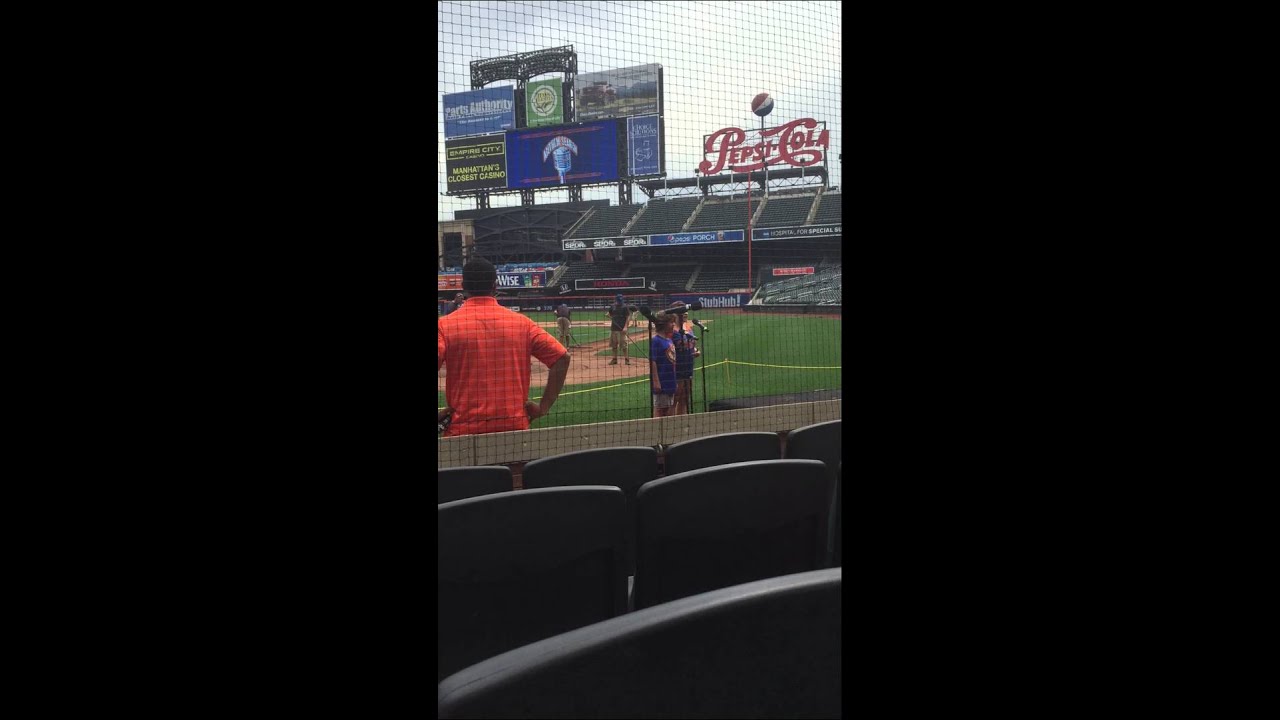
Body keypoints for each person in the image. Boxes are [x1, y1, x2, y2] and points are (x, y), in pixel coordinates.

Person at [437, 258, 570, 437]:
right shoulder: (522, 323)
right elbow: (562, 357)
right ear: (495, 285)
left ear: (463, 286)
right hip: (514, 430)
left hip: (462, 431)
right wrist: (542, 408)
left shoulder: (444, 325)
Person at [668, 302, 699, 415]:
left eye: (686, 311)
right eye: (682, 311)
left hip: (688, 366)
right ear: (674, 314)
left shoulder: (688, 327)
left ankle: (683, 421)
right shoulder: (671, 330)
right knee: (674, 399)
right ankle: (671, 423)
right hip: (676, 369)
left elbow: (691, 344)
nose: (685, 313)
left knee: (685, 399)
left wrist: (695, 351)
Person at [649, 315, 678, 417]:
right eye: (671, 322)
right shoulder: (656, 341)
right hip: (662, 381)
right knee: (660, 410)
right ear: (663, 324)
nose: (673, 324)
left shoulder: (669, 340)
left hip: (670, 380)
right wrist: (656, 382)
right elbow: (653, 361)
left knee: (669, 408)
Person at [605, 293, 638, 365]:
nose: (619, 302)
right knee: (614, 345)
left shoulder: (624, 307)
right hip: (613, 328)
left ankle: (626, 359)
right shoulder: (612, 306)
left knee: (624, 345)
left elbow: (627, 317)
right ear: (616, 300)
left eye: (620, 300)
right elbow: (609, 314)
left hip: (621, 329)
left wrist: (625, 327)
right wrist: (608, 315)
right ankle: (614, 359)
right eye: (618, 300)